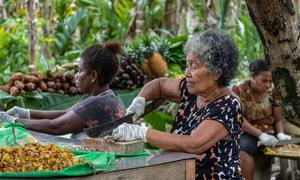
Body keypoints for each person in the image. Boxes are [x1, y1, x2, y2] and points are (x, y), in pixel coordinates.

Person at [111, 31, 243, 179]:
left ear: (216, 72)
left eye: (194, 67)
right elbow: (160, 85)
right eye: (187, 65)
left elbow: (194, 144)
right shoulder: (191, 89)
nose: (187, 72)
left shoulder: (228, 104)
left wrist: (142, 133)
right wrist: (140, 100)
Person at [0, 41, 126, 140]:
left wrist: (13, 121)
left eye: (80, 71)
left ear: (93, 76)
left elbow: (56, 127)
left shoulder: (98, 103)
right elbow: (67, 113)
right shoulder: (107, 96)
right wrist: (27, 113)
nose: (76, 75)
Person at [232, 59, 291, 180]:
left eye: (270, 81)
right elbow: (239, 119)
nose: (268, 85)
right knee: (242, 150)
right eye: (264, 81)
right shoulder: (240, 90)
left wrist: (280, 133)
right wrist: (260, 135)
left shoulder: (273, 91)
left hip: (269, 132)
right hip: (247, 132)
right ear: (253, 77)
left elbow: (278, 118)